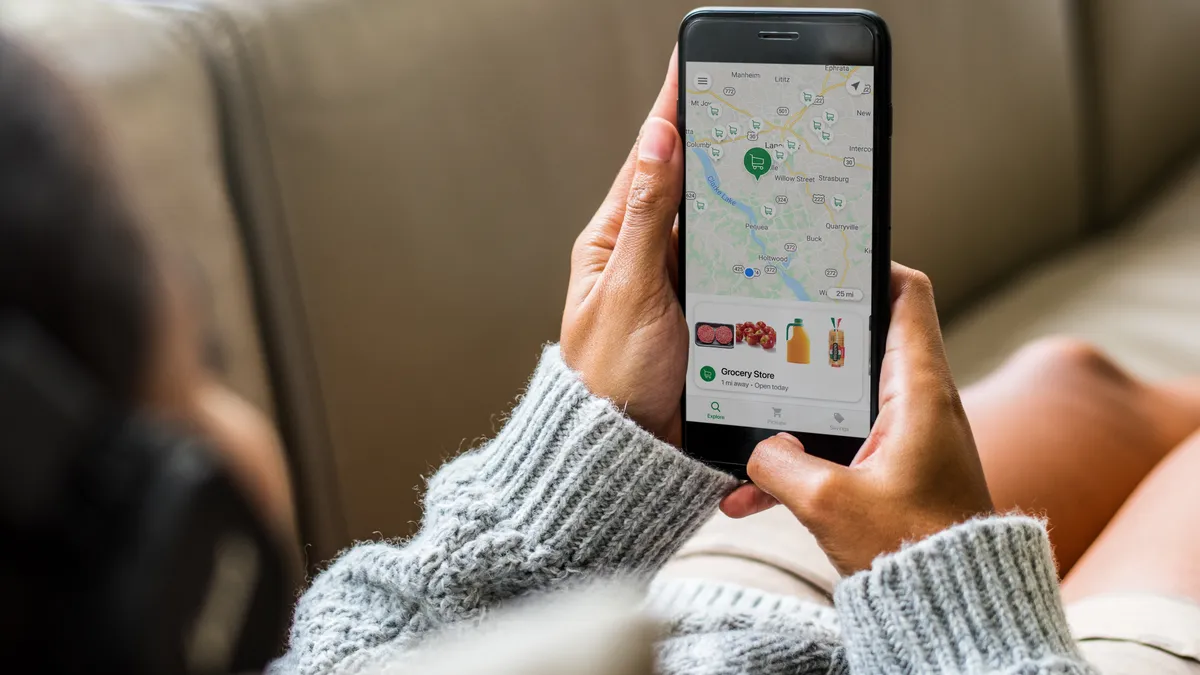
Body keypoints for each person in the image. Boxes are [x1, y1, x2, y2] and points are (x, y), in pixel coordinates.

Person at [3, 33, 1199, 673]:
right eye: (204, 351)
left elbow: (351, 654)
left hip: (699, 639)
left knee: (1067, 381)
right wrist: (949, 587)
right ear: (171, 542)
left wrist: (587, 444)